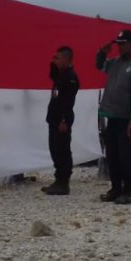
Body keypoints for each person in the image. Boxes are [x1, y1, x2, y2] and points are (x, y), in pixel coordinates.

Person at [96, 29, 131, 205]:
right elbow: (100, 66)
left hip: (126, 119)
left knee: (126, 156)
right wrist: (102, 52)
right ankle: (115, 188)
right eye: (118, 43)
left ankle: (128, 191)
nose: (120, 46)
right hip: (111, 116)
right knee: (112, 155)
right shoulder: (115, 62)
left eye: (123, 43)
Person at [42, 46, 79, 195]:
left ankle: (63, 183)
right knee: (54, 149)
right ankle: (58, 180)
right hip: (54, 117)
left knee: (62, 149)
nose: (56, 59)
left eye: (58, 57)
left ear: (66, 58)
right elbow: (54, 79)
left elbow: (67, 101)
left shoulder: (70, 77)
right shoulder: (61, 74)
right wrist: (53, 64)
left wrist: (64, 120)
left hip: (62, 119)